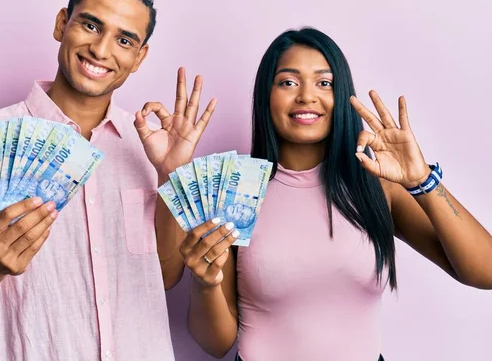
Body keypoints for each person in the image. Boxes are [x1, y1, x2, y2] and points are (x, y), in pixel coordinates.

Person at [0, 0, 210, 360]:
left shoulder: (150, 148)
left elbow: (166, 276)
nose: (102, 49)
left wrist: (171, 175)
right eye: (91, 25)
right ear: (62, 24)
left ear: (139, 57)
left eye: (124, 40)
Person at [179, 27, 492, 361]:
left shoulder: (376, 187)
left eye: (324, 83)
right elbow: (217, 344)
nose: (307, 96)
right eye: (288, 82)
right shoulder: (236, 189)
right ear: (265, 95)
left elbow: (485, 272)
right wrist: (205, 283)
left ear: (341, 95)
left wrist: (422, 180)